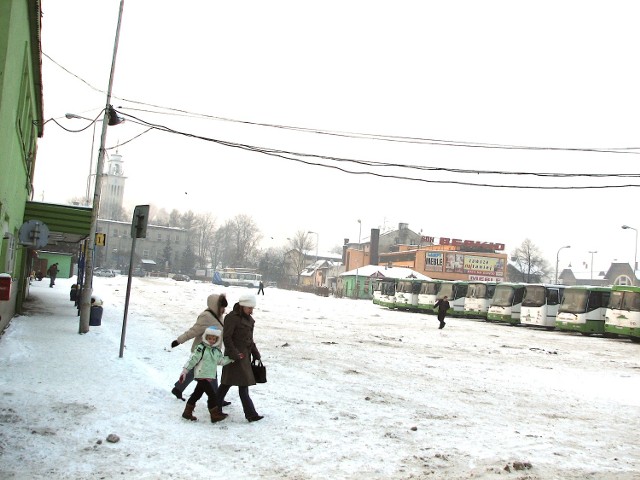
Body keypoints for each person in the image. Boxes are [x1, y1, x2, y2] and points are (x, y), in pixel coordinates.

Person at [170, 293, 229, 402]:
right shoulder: (206, 316)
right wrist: (179, 340)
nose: (223, 309)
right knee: (210, 373)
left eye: (224, 307)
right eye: (222, 307)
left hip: (212, 351)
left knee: (193, 372)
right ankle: (217, 398)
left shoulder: (219, 316)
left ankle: (178, 388)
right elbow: (193, 331)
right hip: (202, 351)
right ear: (215, 305)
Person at [216, 293, 264, 422]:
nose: (251, 311)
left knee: (231, 384)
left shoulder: (249, 320)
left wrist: (255, 353)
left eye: (252, 308)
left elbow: (250, 339)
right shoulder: (231, 318)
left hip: (244, 357)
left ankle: (216, 407)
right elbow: (227, 337)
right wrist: (234, 353)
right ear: (242, 306)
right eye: (249, 308)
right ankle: (250, 414)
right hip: (234, 357)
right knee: (229, 383)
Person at [180, 326, 234, 422]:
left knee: (197, 394)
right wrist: (185, 370)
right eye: (210, 338)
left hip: (209, 376)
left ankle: (187, 413)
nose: (212, 341)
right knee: (212, 395)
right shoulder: (201, 348)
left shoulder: (216, 351)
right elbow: (193, 359)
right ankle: (214, 415)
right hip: (201, 375)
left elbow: (220, 361)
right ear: (206, 337)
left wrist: (231, 358)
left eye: (214, 339)